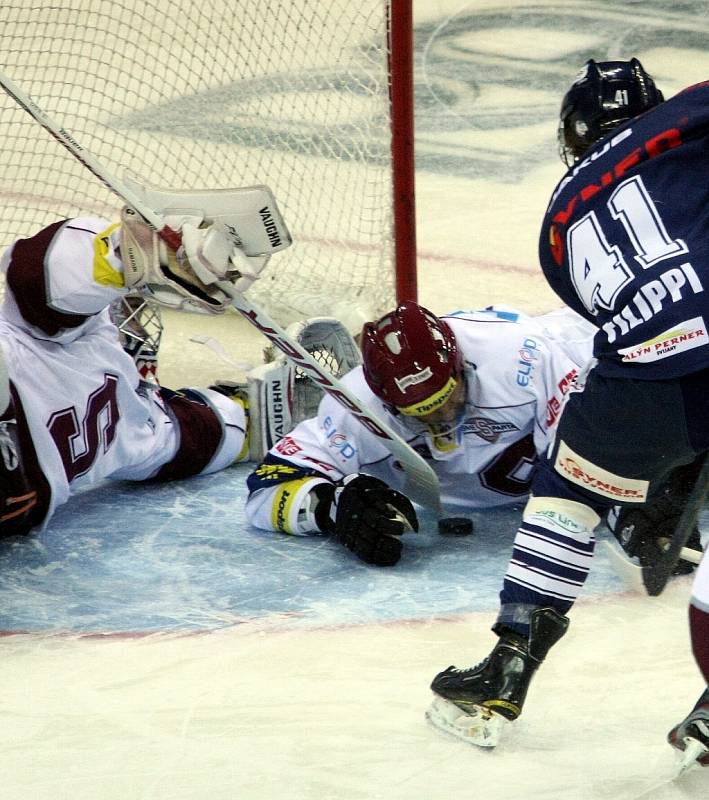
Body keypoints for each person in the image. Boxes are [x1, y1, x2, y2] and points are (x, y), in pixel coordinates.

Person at [426, 58, 709, 764]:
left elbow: (617, 317)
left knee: (566, 486)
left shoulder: (555, 224)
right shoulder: (688, 116)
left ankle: (509, 662)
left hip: (643, 377)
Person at [245, 299, 597, 565]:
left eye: (447, 398)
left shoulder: (526, 360)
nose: (442, 418)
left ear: (460, 365)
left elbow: (593, 457)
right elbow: (264, 494)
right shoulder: (356, 409)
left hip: (589, 334)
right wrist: (330, 509)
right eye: (420, 413)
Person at [0, 206, 270, 536]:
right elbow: (205, 434)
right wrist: (253, 417)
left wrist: (130, 254)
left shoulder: (56, 340)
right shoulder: (135, 426)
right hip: (20, 500)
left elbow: (35, 274)